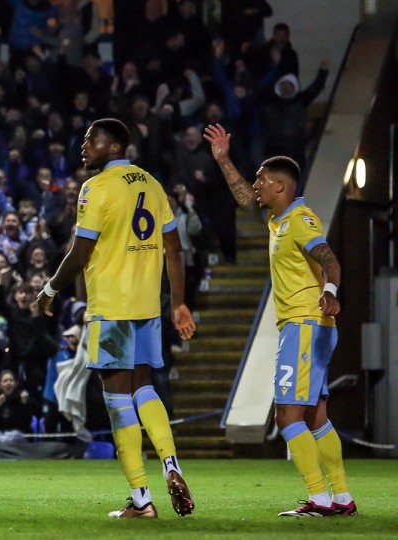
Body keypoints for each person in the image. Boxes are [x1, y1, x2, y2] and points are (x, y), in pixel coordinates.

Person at [36, 118, 197, 519]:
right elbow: (174, 250)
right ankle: (171, 466)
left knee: (117, 398)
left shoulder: (96, 188)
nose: (84, 145)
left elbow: (80, 251)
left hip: (111, 306)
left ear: (115, 147)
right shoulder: (152, 184)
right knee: (145, 388)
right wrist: (178, 303)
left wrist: (51, 288)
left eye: (93, 139)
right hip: (148, 306)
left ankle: (142, 499)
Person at [204, 124, 356, 517]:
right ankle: (341, 498)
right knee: (315, 417)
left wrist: (330, 292)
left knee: (286, 416)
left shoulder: (301, 220)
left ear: (281, 187)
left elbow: (330, 259)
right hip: (312, 327)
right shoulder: (279, 220)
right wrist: (223, 160)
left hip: (305, 323)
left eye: (262, 181)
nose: (256, 186)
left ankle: (319, 499)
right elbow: (242, 198)